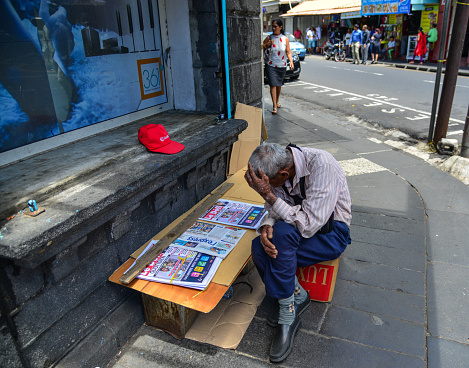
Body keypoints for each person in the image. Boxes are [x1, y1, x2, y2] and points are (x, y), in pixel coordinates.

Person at [244, 142, 352, 363]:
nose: (268, 189)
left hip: (330, 233)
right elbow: (274, 209)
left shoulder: (322, 165)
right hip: (296, 227)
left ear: (284, 173)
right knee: (259, 247)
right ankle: (296, 295)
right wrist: (267, 224)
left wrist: (270, 196)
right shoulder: (279, 167)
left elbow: (309, 224)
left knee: (281, 236)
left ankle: (287, 314)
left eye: (270, 184)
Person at [262, 19, 294, 114]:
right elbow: (262, 47)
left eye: (276, 26)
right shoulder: (269, 37)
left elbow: (288, 52)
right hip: (271, 64)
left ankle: (277, 100)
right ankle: (274, 106)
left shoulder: (285, 39)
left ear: (281, 27)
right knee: (273, 84)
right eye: (273, 26)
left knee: (279, 84)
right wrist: (268, 44)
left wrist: (291, 62)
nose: (274, 28)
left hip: (282, 64)